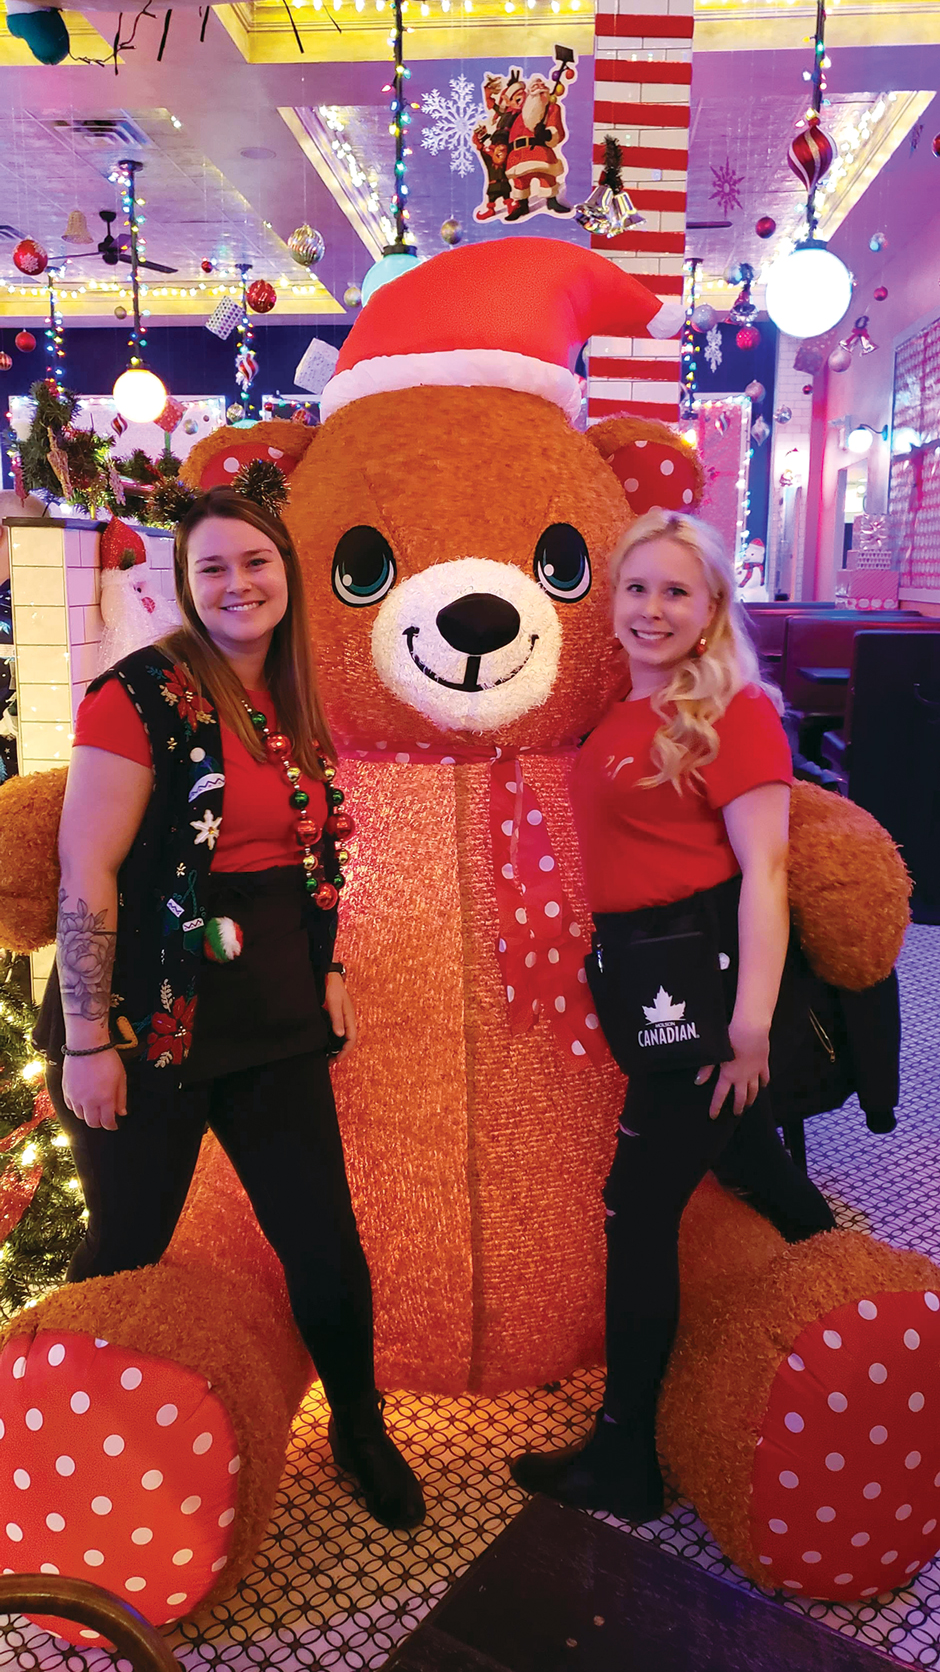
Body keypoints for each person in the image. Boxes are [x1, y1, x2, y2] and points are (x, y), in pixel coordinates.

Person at [35, 486, 425, 1532]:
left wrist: (327, 967)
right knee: (127, 1243)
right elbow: (87, 875)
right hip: (144, 1009)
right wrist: (86, 1040)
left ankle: (357, 1424)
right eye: (212, 568)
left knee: (322, 1238)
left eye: (254, 561)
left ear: (286, 570)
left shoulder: (294, 696)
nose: (237, 584)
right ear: (183, 582)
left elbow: (313, 854)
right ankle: (51, 1443)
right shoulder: (137, 696)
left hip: (268, 1004)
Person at [510, 509, 836, 1522]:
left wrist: (749, 1024)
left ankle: (624, 1457)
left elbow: (766, 873)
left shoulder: (733, 713)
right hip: (648, 983)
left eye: (675, 592)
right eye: (636, 589)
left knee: (637, 1211)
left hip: (702, 987)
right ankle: (851, 1299)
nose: (651, 609)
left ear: (711, 611)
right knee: (748, 1167)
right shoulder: (622, 711)